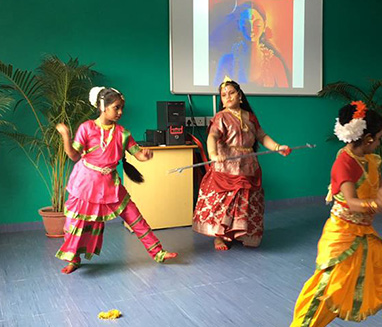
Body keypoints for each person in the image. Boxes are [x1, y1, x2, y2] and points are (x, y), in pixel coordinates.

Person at [290, 101, 382, 327]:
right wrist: (374, 204)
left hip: (364, 232)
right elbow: (352, 203)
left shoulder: (370, 159)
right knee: (329, 288)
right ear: (368, 139)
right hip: (343, 235)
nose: (381, 142)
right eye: (380, 137)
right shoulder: (344, 164)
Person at [55, 87, 177, 274]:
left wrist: (147, 155)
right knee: (74, 224)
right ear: (103, 106)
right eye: (116, 108)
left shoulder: (122, 133)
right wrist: (65, 136)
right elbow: (73, 155)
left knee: (135, 217)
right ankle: (74, 259)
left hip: (111, 185)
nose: (120, 112)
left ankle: (158, 252)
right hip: (84, 184)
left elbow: (139, 155)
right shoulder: (86, 128)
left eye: (121, 108)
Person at [192, 80, 290, 250]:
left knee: (246, 200)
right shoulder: (221, 117)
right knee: (225, 202)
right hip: (226, 165)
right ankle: (220, 236)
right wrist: (214, 155)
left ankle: (240, 233)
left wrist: (277, 147)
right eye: (224, 95)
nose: (228, 97)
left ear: (240, 96)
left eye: (231, 93)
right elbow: (212, 137)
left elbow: (261, 136)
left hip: (248, 165)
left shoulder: (250, 117)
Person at [213, 1, 290, 88]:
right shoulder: (226, 61)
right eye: (246, 24)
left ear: (264, 26)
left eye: (257, 24)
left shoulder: (275, 62)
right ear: (239, 26)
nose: (252, 29)